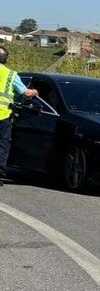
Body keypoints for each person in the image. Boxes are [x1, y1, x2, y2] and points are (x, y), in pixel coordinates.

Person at [0, 46, 39, 186]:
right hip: (3, 115)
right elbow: (26, 93)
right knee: (2, 146)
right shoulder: (11, 75)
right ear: (7, 60)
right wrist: (35, 91)